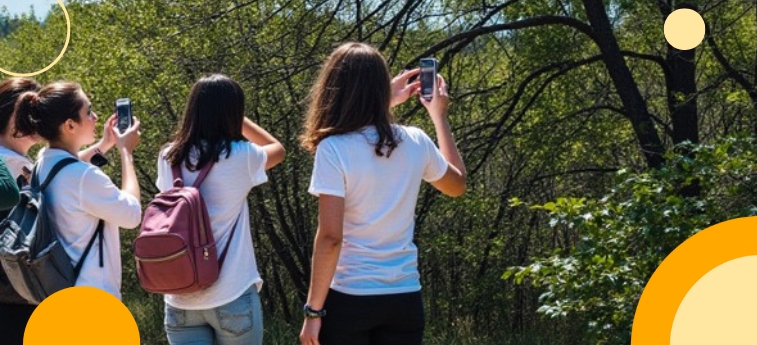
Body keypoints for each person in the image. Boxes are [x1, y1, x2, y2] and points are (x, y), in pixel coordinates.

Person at [299, 42, 467, 345]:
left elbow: (330, 238)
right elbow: (457, 186)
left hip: (351, 297)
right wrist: (439, 117)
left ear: (332, 89)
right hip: (403, 298)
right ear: (381, 90)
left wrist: (313, 313)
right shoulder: (415, 139)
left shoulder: (334, 148)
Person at [155, 74, 285, 345]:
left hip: (180, 300)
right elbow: (278, 150)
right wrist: (240, 119)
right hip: (231, 294)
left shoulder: (168, 156)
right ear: (233, 113)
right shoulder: (241, 156)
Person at [13, 81, 143, 301]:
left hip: (60, 294)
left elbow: (69, 167)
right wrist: (126, 153)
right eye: (89, 112)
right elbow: (132, 215)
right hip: (94, 299)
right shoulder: (84, 177)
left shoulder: (43, 162)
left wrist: (105, 143)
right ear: (70, 125)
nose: (96, 118)